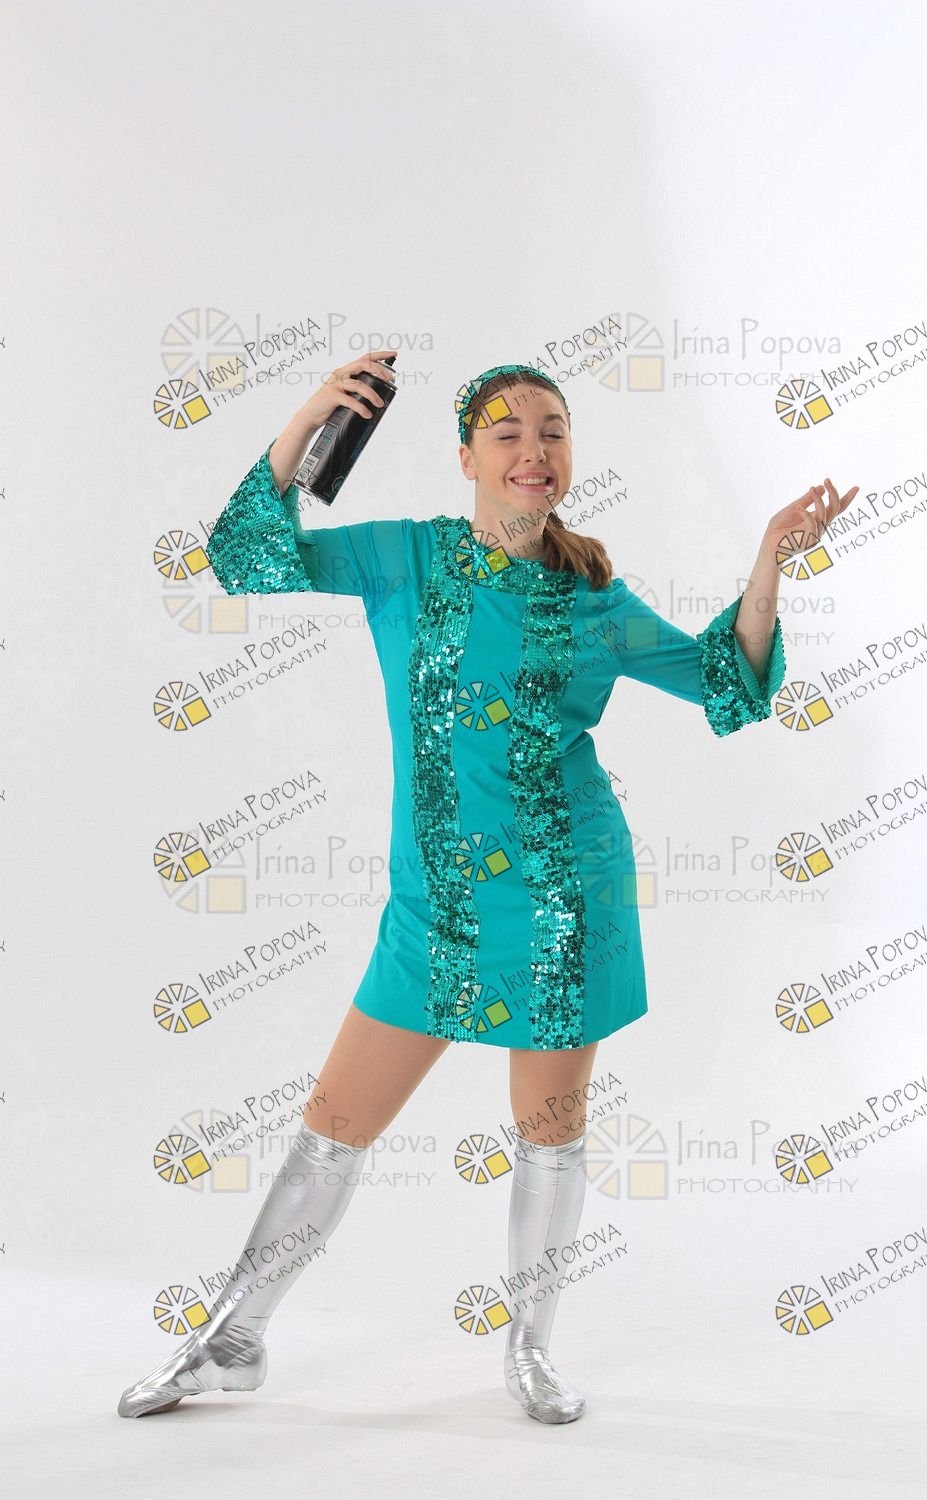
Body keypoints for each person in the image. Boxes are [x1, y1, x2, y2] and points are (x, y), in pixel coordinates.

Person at [117, 354, 856, 1425]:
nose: (532, 451)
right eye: (506, 433)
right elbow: (245, 556)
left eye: (551, 431)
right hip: (430, 910)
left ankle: (531, 1350)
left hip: (563, 902)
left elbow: (725, 682)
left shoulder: (592, 600)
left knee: (548, 1131)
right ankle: (230, 1336)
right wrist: (313, 418)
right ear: (466, 457)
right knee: (334, 1123)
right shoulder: (403, 558)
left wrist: (769, 561)